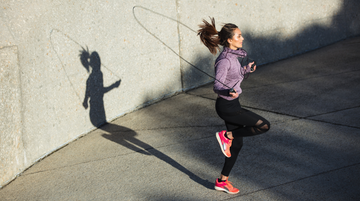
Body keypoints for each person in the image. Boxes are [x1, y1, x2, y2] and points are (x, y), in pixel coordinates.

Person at [198, 18, 270, 194]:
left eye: (241, 35)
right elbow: (218, 85)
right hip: (227, 107)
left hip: (232, 104)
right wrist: (227, 91)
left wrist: (245, 71)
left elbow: (233, 78)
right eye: (239, 35)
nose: (242, 38)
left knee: (236, 146)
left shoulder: (234, 57)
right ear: (230, 40)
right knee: (264, 125)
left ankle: (222, 181)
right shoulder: (224, 60)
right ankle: (226, 135)